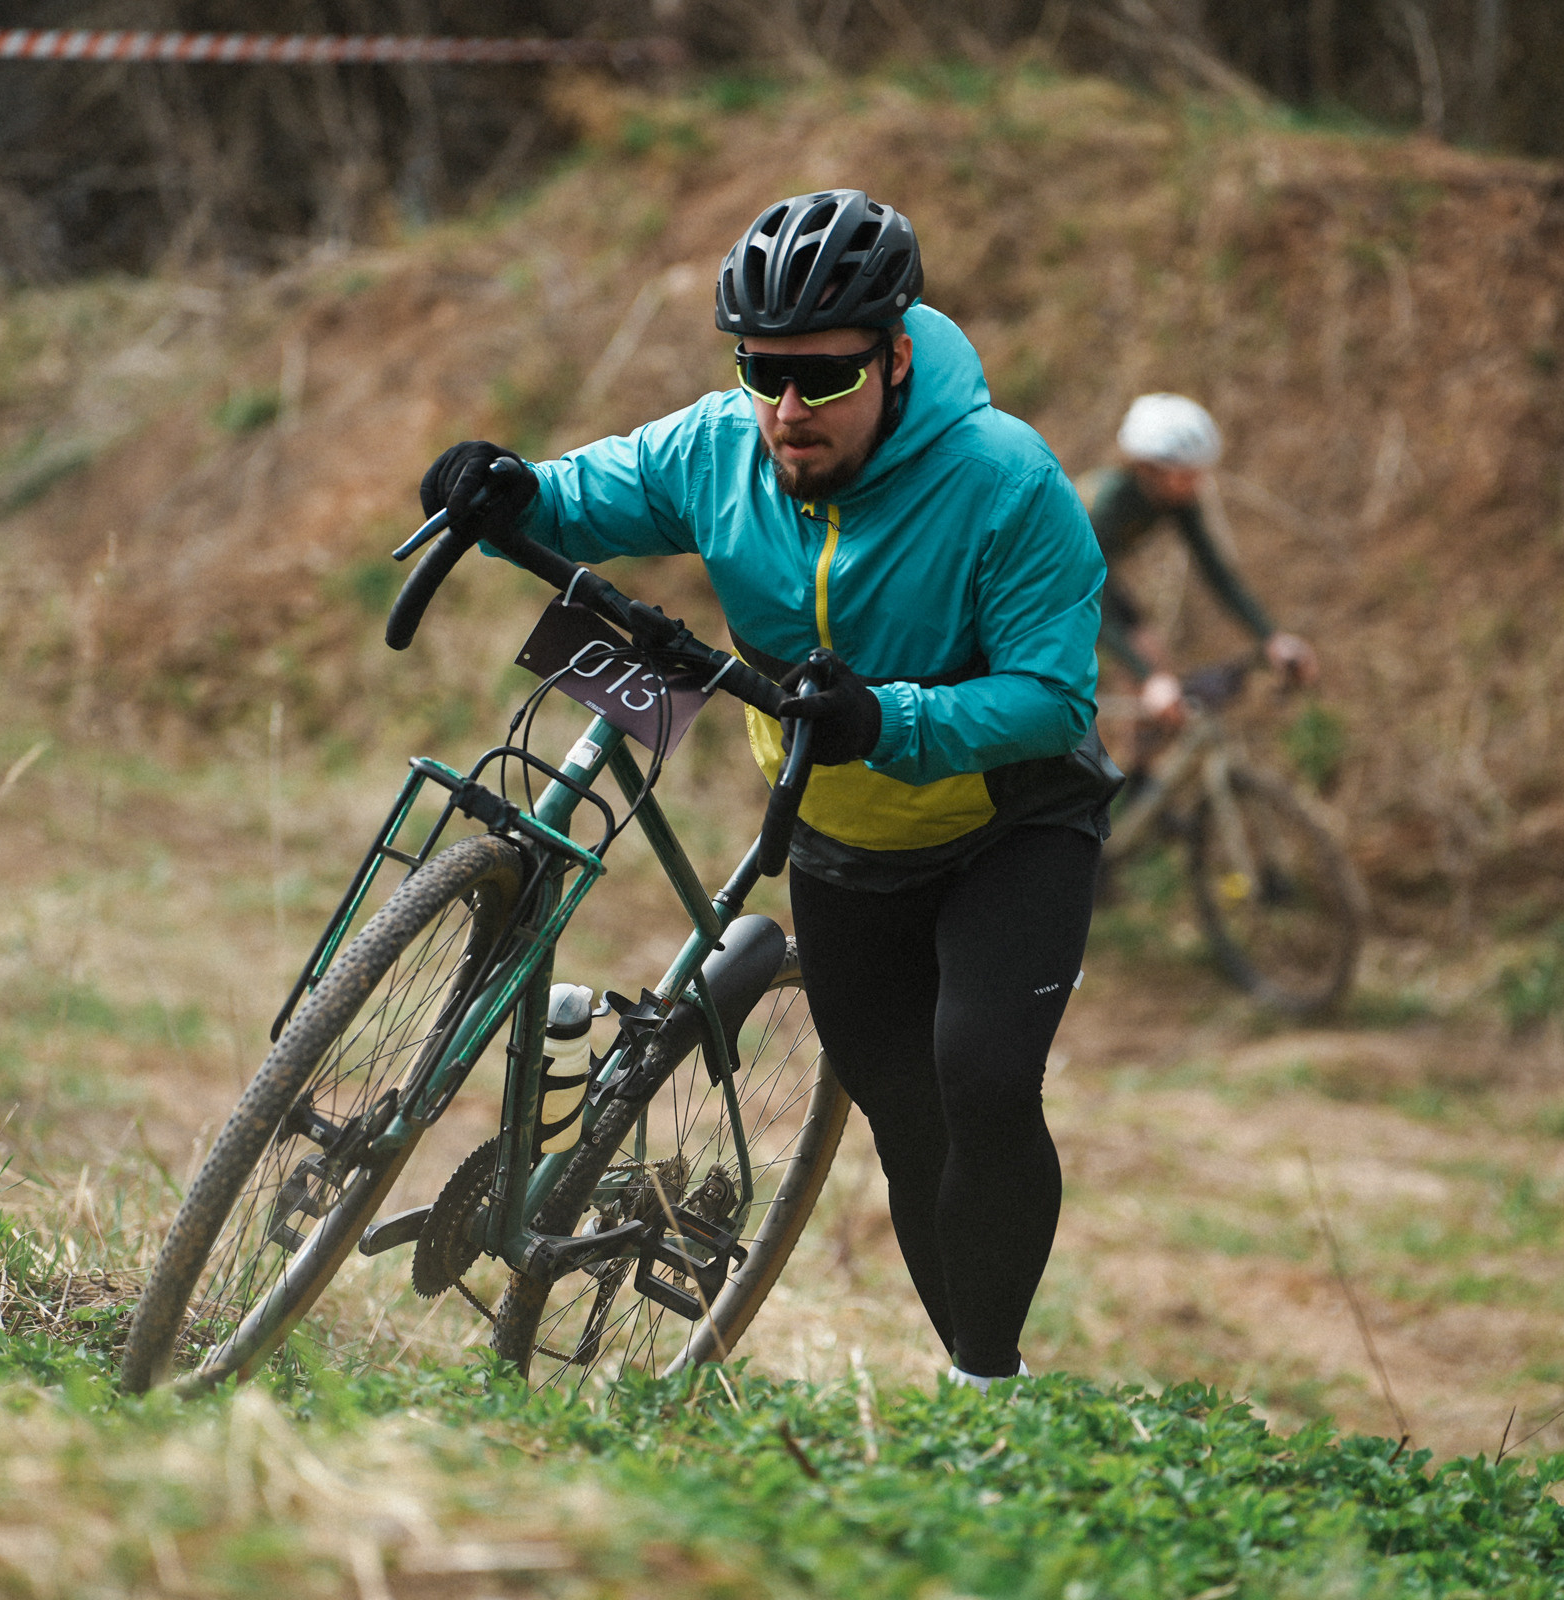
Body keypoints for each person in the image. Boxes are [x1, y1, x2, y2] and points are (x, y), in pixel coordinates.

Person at [421, 190, 1116, 1390]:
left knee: (984, 1080)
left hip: (1008, 823)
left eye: (826, 379)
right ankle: (973, 1371)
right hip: (842, 834)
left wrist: (889, 716)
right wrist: (502, 490)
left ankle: (991, 1390)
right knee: (906, 1118)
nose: (788, 409)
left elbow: (1054, 697)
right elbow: (585, 492)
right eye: (762, 371)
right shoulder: (719, 446)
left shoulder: (1007, 480)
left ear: (896, 358)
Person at [1082, 394, 1317, 737]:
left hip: (1092, 580)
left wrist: (1271, 638)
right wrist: (1148, 679)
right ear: (1150, 468)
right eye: (1188, 475)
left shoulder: (1173, 495)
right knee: (1145, 675)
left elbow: (1215, 571)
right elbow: (1082, 595)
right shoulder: (1107, 505)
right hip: (1043, 586)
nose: (1199, 484)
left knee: (1159, 674)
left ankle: (1141, 781)